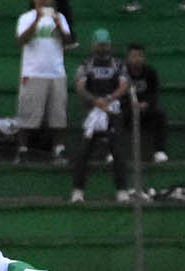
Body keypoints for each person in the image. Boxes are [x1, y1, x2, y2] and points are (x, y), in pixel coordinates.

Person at [70, 29, 132, 203]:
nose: (102, 48)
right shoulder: (86, 64)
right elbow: (80, 86)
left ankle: (121, 190)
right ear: (93, 45)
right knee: (83, 151)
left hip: (112, 109)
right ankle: (78, 190)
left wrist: (110, 98)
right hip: (92, 112)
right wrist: (94, 100)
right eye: (99, 45)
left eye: (105, 45)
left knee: (118, 151)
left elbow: (123, 84)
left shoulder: (117, 64)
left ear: (109, 45)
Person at [16, 0, 75, 165]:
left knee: (58, 116)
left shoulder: (60, 17)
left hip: (56, 72)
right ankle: (22, 151)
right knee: (27, 114)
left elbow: (68, 41)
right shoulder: (26, 18)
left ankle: (59, 150)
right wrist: (37, 20)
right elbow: (21, 40)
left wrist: (59, 25)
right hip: (33, 72)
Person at [120, 43, 170, 164]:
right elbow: (118, 94)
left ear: (144, 58)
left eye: (139, 56)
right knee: (114, 116)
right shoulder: (121, 73)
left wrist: (146, 104)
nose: (136, 59)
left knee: (160, 115)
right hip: (127, 109)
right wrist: (130, 104)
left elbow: (154, 93)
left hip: (146, 110)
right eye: (133, 56)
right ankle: (113, 152)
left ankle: (159, 151)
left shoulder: (150, 72)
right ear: (127, 58)